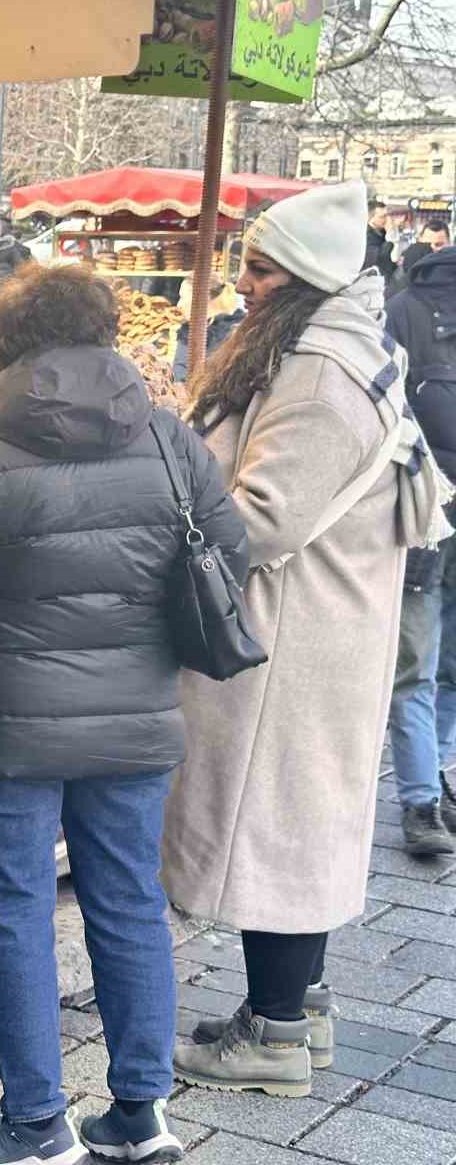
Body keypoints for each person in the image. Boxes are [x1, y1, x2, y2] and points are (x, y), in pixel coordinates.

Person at [0, 264, 244, 1165]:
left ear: (7, 344)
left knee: (12, 911)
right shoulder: (171, 441)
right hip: (137, 715)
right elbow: (232, 550)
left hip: (6, 724)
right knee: (130, 902)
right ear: (105, 334)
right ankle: (140, 1114)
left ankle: (35, 1123)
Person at [165, 180, 452, 1098]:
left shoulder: (321, 375)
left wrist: (167, 518)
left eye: (260, 268)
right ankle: (295, 1009)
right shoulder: (332, 346)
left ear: (304, 277)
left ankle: (276, 1035)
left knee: (281, 827)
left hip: (294, 642)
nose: (244, 283)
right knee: (298, 822)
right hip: (313, 630)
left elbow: (263, 520)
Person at [384, 240, 456, 855]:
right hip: (427, 516)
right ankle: (425, 793)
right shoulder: (406, 309)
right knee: (428, 666)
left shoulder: (401, 305)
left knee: (420, 666)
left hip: (425, 514)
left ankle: (428, 790)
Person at [365, 200, 396, 278]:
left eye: (387, 216)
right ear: (371, 218)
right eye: (382, 217)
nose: (386, 220)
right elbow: (379, 257)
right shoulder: (367, 236)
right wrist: (390, 234)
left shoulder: (382, 232)